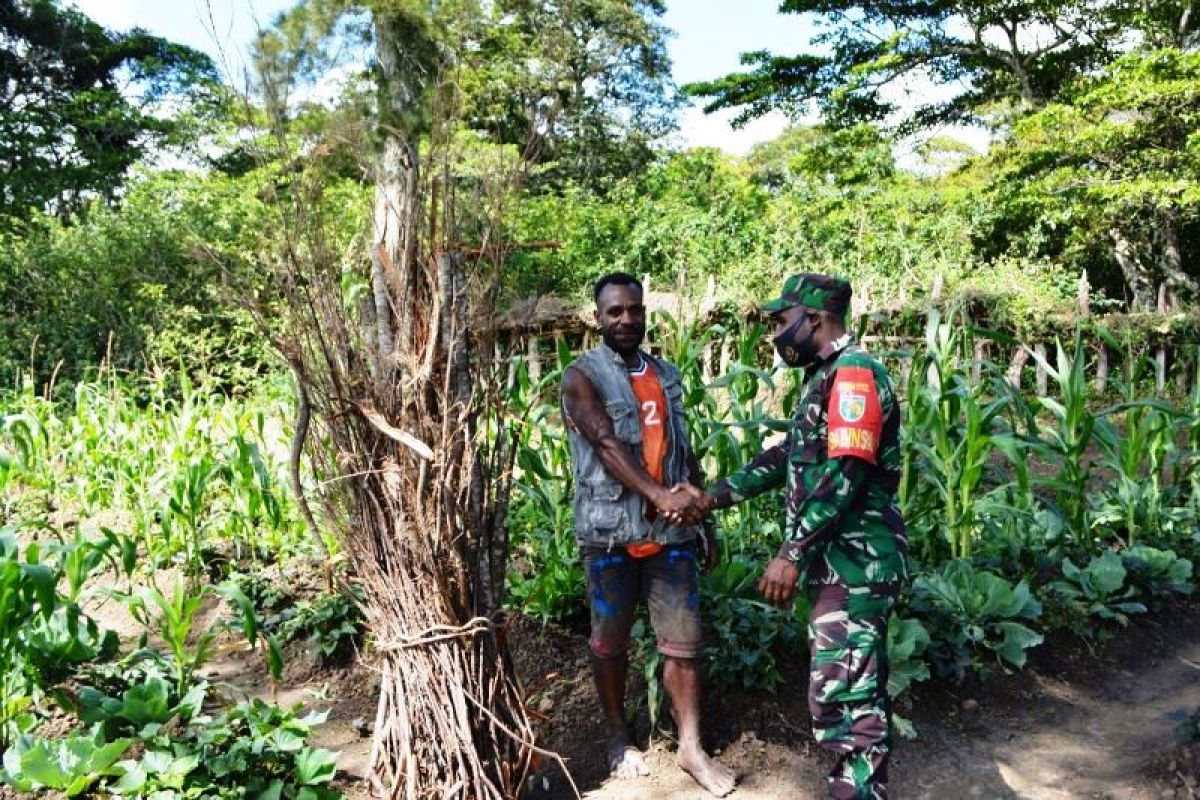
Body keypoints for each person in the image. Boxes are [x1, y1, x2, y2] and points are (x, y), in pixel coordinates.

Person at [699, 273, 908, 799]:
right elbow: (787, 457)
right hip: (837, 566)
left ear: (813, 319)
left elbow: (845, 473)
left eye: (780, 321)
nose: (774, 333)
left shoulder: (854, 375)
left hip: (856, 567)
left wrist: (791, 552)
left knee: (848, 701)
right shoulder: (825, 376)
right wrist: (711, 496)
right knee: (841, 695)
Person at [561, 271, 735, 797]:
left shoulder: (666, 374)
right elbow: (606, 443)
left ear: (644, 312)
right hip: (611, 535)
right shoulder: (581, 376)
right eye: (614, 311)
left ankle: (690, 748)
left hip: (672, 533)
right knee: (609, 643)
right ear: (598, 317)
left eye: (634, 310)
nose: (626, 319)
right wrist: (658, 496)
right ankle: (618, 739)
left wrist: (703, 518)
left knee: (684, 644)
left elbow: (684, 453)